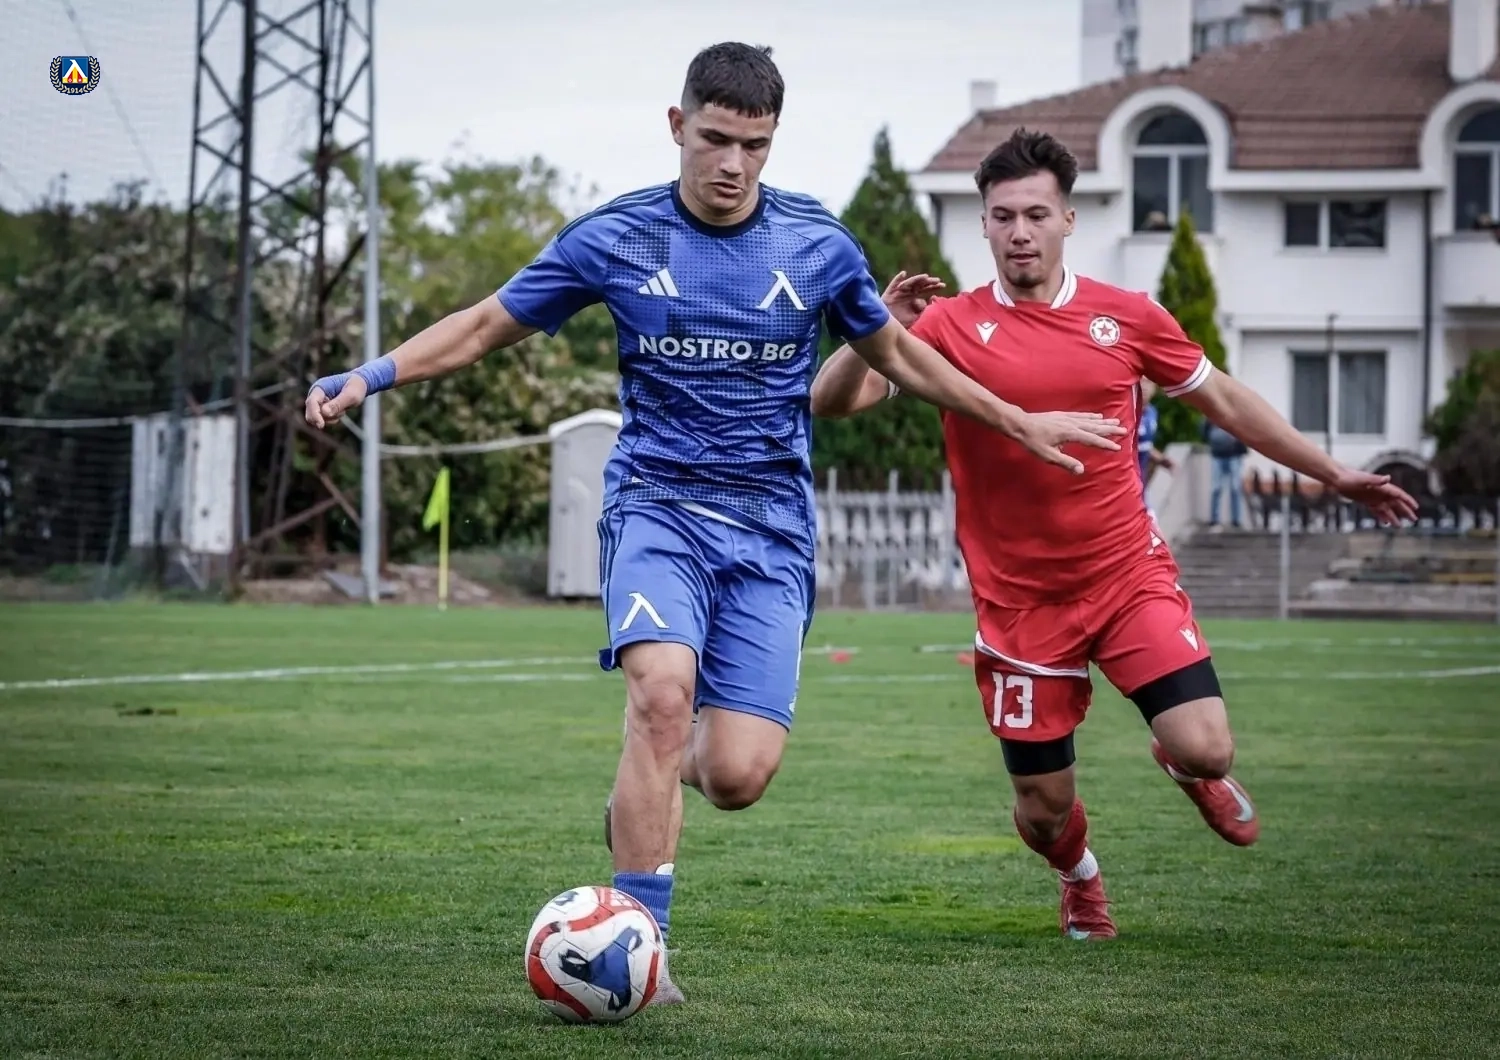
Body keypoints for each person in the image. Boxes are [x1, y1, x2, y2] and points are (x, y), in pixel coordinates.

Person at [303, 53, 1125, 997]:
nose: (733, 163)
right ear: (677, 126)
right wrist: (368, 376)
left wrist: (1016, 420)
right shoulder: (618, 236)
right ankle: (639, 944)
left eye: (755, 145)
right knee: (661, 696)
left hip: (771, 530)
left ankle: (644, 785)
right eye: (716, 139)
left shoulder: (817, 245)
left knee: (736, 775)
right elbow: (488, 324)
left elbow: (898, 356)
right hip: (656, 505)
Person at [808, 127, 1417, 940]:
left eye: (1036, 214)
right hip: (1019, 604)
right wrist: (876, 328)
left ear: (1067, 219)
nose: (1019, 232)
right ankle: (1080, 878)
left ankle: (1182, 764)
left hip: (1127, 577)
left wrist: (1332, 472)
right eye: (1002, 217)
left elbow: (1228, 402)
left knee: (1208, 748)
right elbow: (831, 402)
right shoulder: (949, 325)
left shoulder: (1127, 317)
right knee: (1043, 811)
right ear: (983, 226)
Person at [1203, 418, 1249, 530]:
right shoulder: (1212, 416)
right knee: (1216, 488)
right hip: (1217, 455)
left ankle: (1236, 520)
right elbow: (1204, 431)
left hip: (1234, 454)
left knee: (1235, 488)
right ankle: (1215, 519)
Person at [1136, 380, 1174, 486]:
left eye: (1148, 382)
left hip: (1141, 475)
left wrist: (1161, 459)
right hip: (1126, 477)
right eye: (1141, 382)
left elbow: (1144, 445)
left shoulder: (1152, 412)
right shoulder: (1126, 412)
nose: (1144, 387)